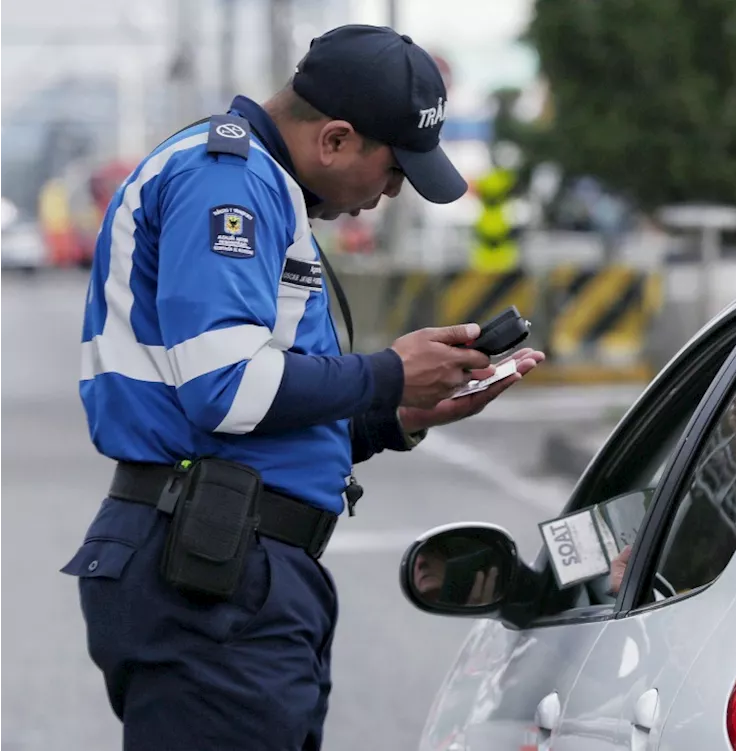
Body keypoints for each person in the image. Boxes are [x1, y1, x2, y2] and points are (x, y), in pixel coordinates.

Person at [59, 23, 544, 751]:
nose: (389, 193)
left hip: (229, 567)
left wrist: (400, 414)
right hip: (209, 577)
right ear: (337, 140)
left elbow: (255, 412)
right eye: (393, 171)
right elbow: (224, 388)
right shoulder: (228, 181)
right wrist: (387, 371)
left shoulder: (260, 183)